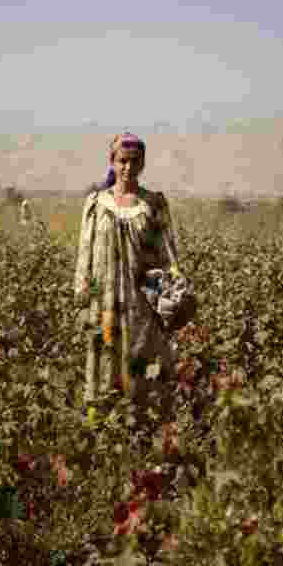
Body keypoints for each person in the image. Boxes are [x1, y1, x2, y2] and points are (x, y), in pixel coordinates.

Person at [73, 132, 189, 420]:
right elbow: (84, 253)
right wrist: (82, 293)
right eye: (122, 160)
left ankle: (135, 430)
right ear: (112, 162)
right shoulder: (96, 203)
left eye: (134, 161)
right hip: (104, 303)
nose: (128, 167)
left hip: (139, 304)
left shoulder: (153, 204)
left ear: (143, 163)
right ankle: (98, 428)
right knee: (103, 364)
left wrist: (174, 291)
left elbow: (168, 254)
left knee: (138, 366)